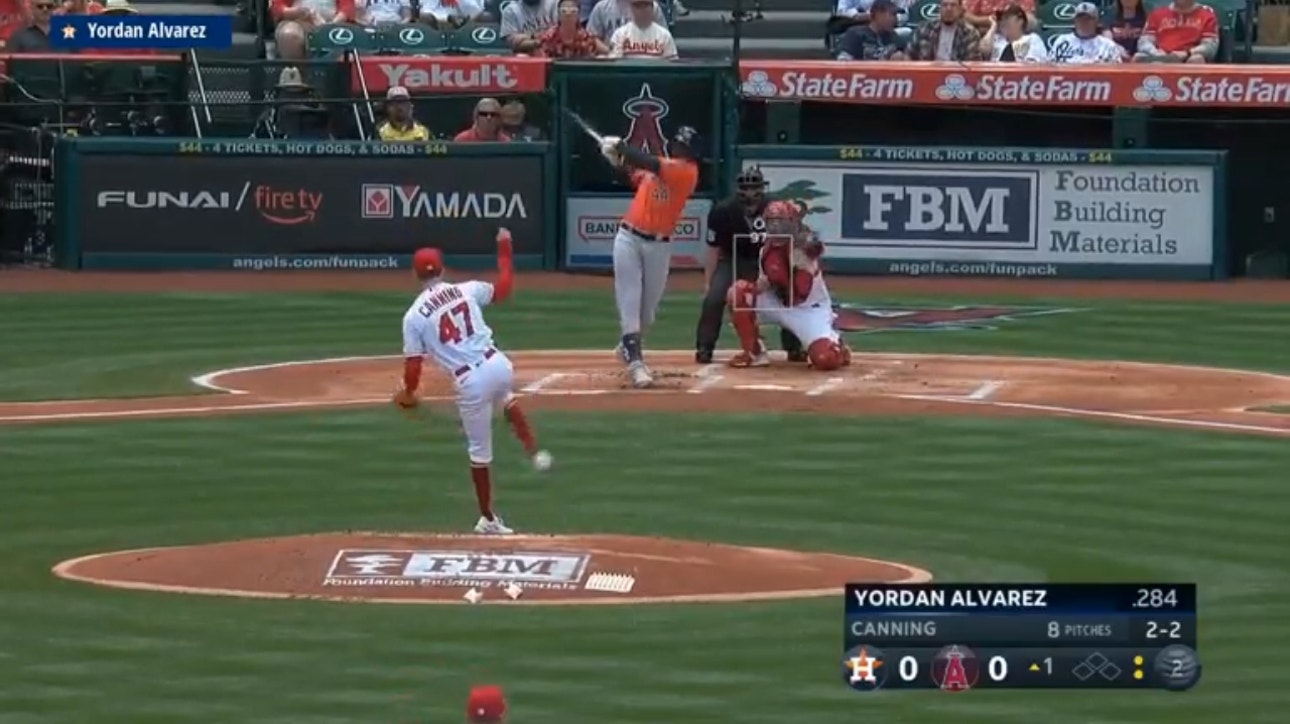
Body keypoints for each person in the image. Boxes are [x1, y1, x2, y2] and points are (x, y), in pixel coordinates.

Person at [394, 230, 552, 536]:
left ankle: (488, 519)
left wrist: (409, 393)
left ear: (415, 275)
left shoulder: (412, 317)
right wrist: (505, 250)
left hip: (470, 381)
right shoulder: (467, 289)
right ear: (442, 269)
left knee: (479, 452)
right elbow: (503, 288)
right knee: (504, 395)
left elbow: (413, 366)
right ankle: (532, 448)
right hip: (498, 363)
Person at [602, 127, 701, 388]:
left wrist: (622, 147)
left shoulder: (686, 172)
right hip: (628, 238)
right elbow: (636, 173)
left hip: (659, 246)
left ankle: (627, 347)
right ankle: (636, 364)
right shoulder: (661, 169)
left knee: (647, 314)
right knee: (630, 302)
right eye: (678, 144)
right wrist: (618, 161)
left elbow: (648, 162)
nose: (680, 148)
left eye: (685, 147)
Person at [694, 166, 805, 364]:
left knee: (788, 295)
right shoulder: (722, 211)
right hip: (733, 259)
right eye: (745, 189)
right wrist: (708, 281)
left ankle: (793, 347)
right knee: (714, 298)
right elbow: (713, 248)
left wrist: (789, 271)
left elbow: (791, 241)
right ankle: (704, 347)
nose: (750, 194)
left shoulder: (776, 209)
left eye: (755, 189)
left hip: (769, 259)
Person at [725, 201, 852, 371]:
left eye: (781, 223)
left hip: (808, 310)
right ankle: (754, 352)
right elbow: (766, 282)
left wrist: (798, 257)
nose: (776, 228)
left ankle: (837, 345)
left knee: (825, 360)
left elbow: (801, 291)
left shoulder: (802, 247)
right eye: (771, 222)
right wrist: (756, 290)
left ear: (792, 224)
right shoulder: (766, 249)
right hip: (780, 300)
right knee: (738, 292)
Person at [1134, 0, 1217, 63]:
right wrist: (1155, 52)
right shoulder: (1158, 14)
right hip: (1160, 56)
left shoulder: (1207, 15)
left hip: (1187, 58)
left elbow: (1210, 45)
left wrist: (1187, 53)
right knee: (1138, 57)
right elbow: (1144, 41)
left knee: (1197, 59)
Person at [272, 0, 357, 60]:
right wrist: (296, 12)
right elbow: (278, 8)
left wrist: (330, 26)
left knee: (342, 41)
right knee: (289, 36)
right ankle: (296, 78)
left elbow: (347, 8)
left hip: (333, 23)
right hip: (298, 21)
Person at [1050, 2, 1124, 63]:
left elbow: (1116, 71)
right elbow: (1049, 65)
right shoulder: (1062, 41)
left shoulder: (1107, 45)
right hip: (1066, 80)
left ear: (1096, 21)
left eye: (1088, 19)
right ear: (1074, 21)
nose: (1083, 22)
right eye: (1080, 19)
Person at [911, 0, 983, 61]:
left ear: (960, 10)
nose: (949, 9)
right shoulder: (924, 29)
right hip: (927, 74)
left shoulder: (970, 33)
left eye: (953, 5)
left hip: (957, 75)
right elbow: (909, 55)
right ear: (939, 9)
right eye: (945, 5)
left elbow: (974, 63)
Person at [836, 0, 908, 60]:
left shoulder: (893, 36)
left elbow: (908, 58)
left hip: (887, 76)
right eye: (892, 14)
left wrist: (902, 57)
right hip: (863, 75)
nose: (895, 19)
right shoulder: (856, 34)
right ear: (878, 14)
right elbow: (843, 62)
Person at [537, 0, 608, 57]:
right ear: (558, 15)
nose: (568, 15)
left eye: (573, 11)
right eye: (564, 11)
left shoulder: (586, 38)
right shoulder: (548, 38)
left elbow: (606, 52)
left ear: (578, 15)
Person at [608, 0, 677, 58]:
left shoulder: (664, 35)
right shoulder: (619, 34)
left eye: (646, 5)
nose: (642, 9)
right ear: (631, 8)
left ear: (652, 8)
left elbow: (671, 67)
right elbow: (615, 65)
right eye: (637, 6)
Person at [979, 3, 1047, 62]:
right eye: (1000, 17)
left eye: (1007, 17)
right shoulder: (996, 40)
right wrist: (993, 26)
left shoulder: (1032, 39)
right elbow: (983, 51)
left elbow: (1033, 67)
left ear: (1020, 20)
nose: (1002, 20)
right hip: (994, 75)